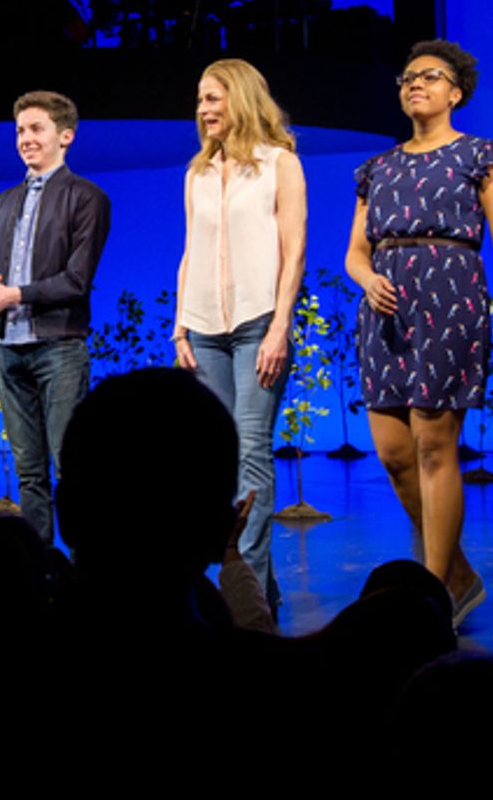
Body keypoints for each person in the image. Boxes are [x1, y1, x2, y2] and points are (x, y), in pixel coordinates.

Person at [345, 39, 493, 627]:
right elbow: (355, 253)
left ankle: (433, 592)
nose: (415, 84)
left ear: (455, 92)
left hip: (450, 298)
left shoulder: (483, 157)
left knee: (435, 446)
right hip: (384, 310)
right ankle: (459, 573)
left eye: (430, 77)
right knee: (392, 453)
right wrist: (366, 280)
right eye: (407, 77)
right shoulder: (378, 168)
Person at [174, 58, 307, 614]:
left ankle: (241, 589)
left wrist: (281, 325)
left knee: (251, 452)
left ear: (242, 99)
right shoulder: (197, 173)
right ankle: (260, 591)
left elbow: (294, 248)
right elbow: (191, 251)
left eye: (213, 99)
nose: (203, 110)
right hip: (203, 327)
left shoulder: (281, 164)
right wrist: (180, 325)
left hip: (258, 322)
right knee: (218, 458)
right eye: (200, 101)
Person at [0, 90, 111, 546]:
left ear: (65, 136)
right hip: (10, 349)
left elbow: (77, 280)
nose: (26, 139)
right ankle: (40, 570)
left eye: (36, 129)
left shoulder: (87, 197)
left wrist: (13, 295)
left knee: (71, 466)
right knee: (28, 471)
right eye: (20, 131)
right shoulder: (3, 202)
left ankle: (87, 564)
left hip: (59, 346)